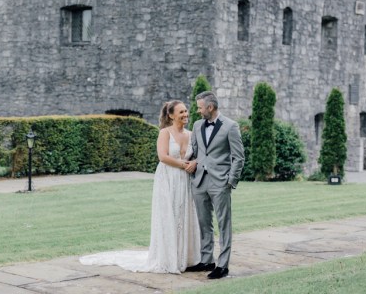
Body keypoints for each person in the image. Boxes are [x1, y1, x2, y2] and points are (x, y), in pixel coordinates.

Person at [80, 100, 200, 273]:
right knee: (169, 215)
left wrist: (194, 162)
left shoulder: (191, 134)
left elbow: (199, 155)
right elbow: (163, 157)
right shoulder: (165, 133)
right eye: (181, 112)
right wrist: (183, 165)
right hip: (168, 178)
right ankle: (168, 258)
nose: (185, 114)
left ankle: (185, 257)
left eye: (186, 111)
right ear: (171, 115)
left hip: (185, 181)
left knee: (184, 215)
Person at [183, 91, 244, 279]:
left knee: (224, 223)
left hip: (220, 182)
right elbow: (195, 150)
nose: (198, 111)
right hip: (199, 181)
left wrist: (230, 181)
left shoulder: (231, 126)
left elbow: (238, 157)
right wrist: (191, 161)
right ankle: (207, 260)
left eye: (200, 107)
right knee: (203, 223)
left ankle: (223, 265)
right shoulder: (197, 125)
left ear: (210, 107)